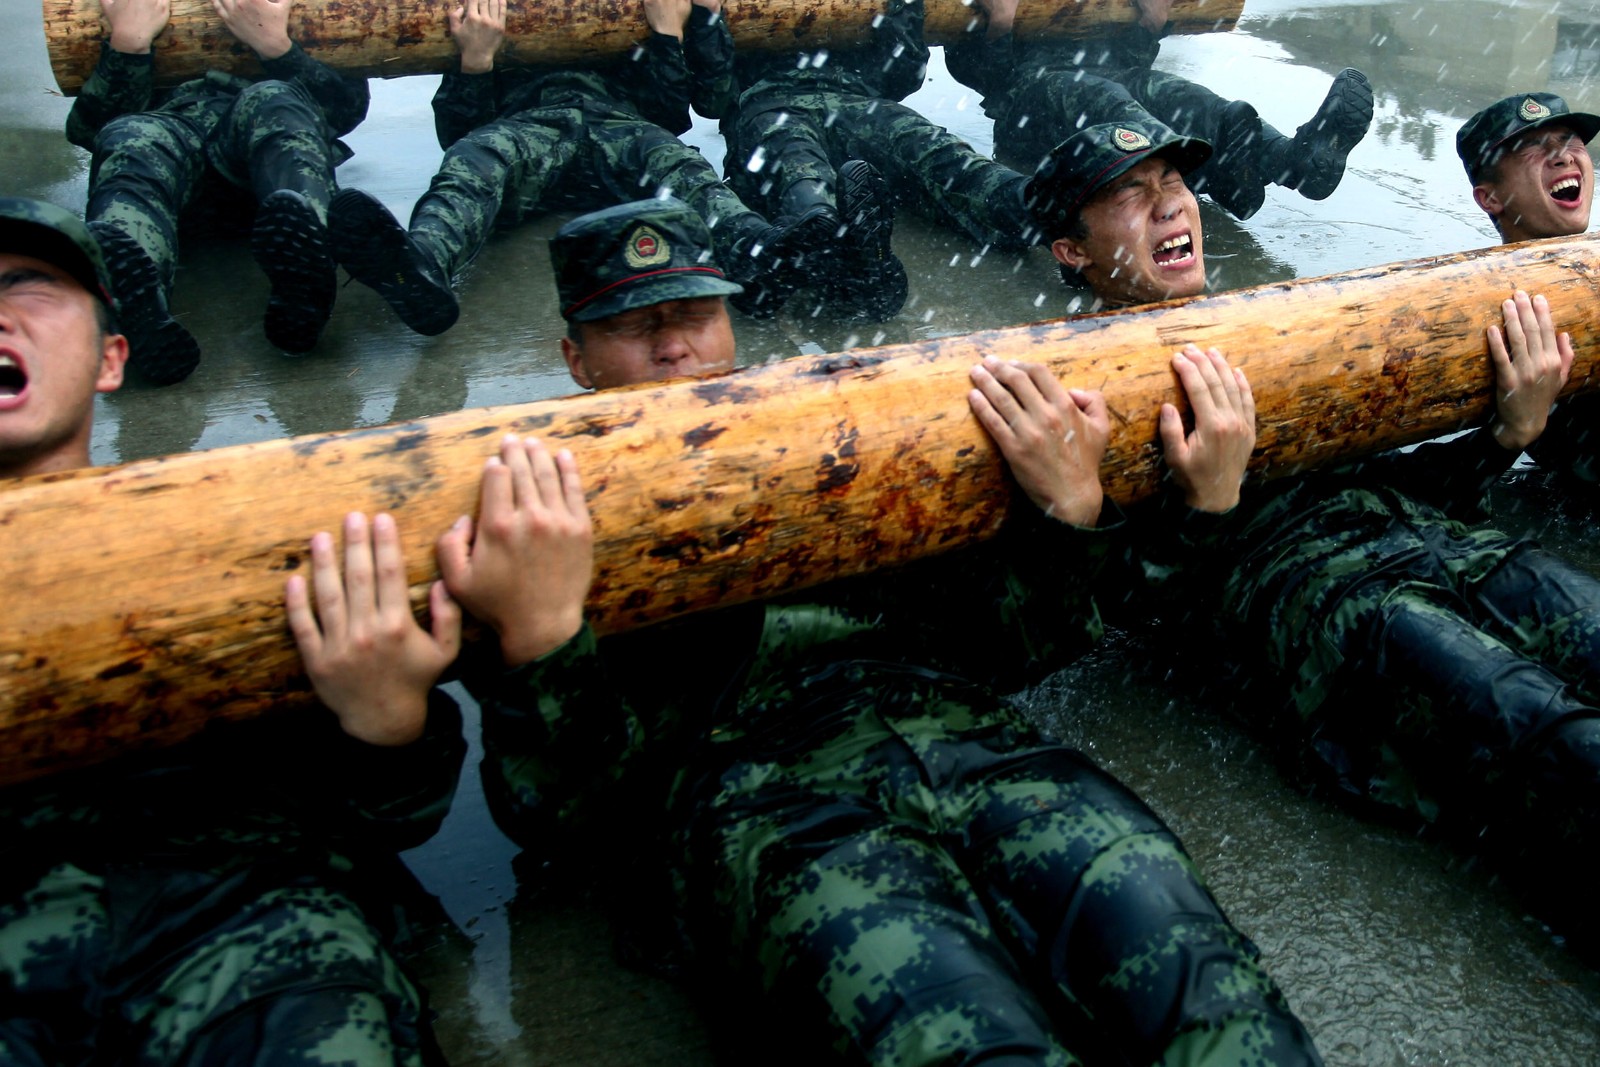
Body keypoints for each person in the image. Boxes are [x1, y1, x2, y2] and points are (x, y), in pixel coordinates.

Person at [437, 196, 1324, 1064]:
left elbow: (1007, 652)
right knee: (956, 1042)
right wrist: (545, 640)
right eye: (639, 325)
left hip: (983, 746)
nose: (677, 346)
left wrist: (1070, 512)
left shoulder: (843, 437)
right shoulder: (530, 520)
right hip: (770, 808)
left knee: (1214, 997)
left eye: (698, 315)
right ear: (576, 358)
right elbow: (564, 823)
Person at [1029, 124, 1600, 950]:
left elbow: (1378, 485)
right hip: (1331, 612)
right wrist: (1206, 508)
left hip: (1448, 547)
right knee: (1558, 746)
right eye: (1130, 194)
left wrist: (1504, 437)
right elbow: (1108, 616)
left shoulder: (1272, 324)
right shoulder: (1069, 400)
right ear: (1071, 250)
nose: (1170, 204)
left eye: (1173, 183)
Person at [0, 196, 465, 1062]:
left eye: (28, 283)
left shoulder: (245, 546)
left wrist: (393, 724)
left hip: (242, 921)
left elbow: (396, 816)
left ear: (111, 359)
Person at [332, 0, 819, 333]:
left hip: (622, 127)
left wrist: (667, 35)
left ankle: (756, 249)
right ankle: (423, 264)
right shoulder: (494, 7)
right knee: (476, 161)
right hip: (529, 129)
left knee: (678, 165)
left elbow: (671, 116)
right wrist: (476, 60)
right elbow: (459, 134)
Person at [66, 0, 370, 383]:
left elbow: (345, 111)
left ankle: (308, 280)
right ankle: (138, 308)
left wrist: (278, 48)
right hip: (172, 176)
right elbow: (89, 131)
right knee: (131, 135)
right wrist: (128, 47)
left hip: (267, 183)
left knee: (274, 99)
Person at [723, 0, 1040, 322]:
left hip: (861, 103)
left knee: (931, 149)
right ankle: (840, 254)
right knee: (799, 171)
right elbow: (712, 99)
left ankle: (1034, 203)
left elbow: (902, 78)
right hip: (767, 107)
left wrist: (904, 7)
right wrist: (707, 20)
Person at [950, 0, 1373, 221]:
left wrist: (1151, 24)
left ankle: (1295, 159)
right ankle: (1204, 167)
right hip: (1030, 114)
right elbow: (984, 78)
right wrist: (999, 26)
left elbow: (1131, 59)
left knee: (1186, 98)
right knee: (1102, 97)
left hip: (1115, 79)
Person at [1457, 91, 1600, 491]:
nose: (1563, 156)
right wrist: (1512, 432)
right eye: (1534, 147)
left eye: (1570, 141)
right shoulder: (1485, 317)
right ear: (1491, 198)